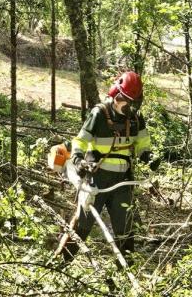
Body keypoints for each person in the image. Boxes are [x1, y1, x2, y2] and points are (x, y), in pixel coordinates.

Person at [62, 71, 154, 259]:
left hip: (123, 181)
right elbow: (80, 140)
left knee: (124, 229)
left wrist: (148, 156)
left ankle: (126, 269)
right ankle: (63, 263)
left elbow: (143, 143)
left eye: (135, 102)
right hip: (97, 178)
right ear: (117, 95)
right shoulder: (100, 114)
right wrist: (78, 158)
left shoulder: (136, 118)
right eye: (128, 101)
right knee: (83, 224)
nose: (131, 107)